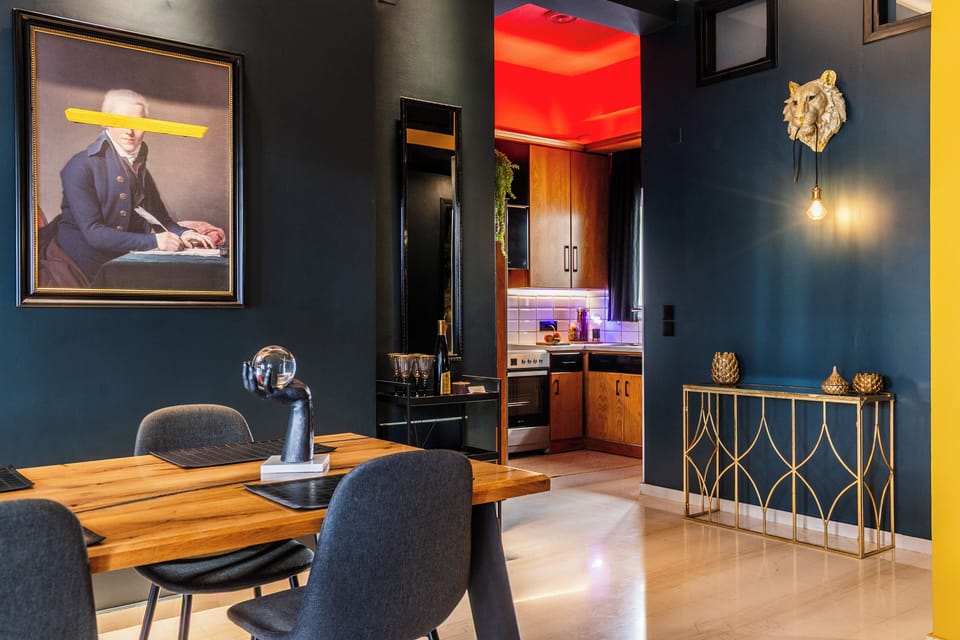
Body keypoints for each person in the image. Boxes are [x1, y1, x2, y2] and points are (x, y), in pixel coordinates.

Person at [42, 89, 215, 287]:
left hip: (122, 260)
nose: (129, 131)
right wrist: (155, 242)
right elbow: (94, 234)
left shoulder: (138, 167)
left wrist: (184, 233)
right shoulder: (80, 165)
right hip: (79, 265)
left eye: (138, 123)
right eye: (121, 121)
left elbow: (161, 219)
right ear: (106, 122)